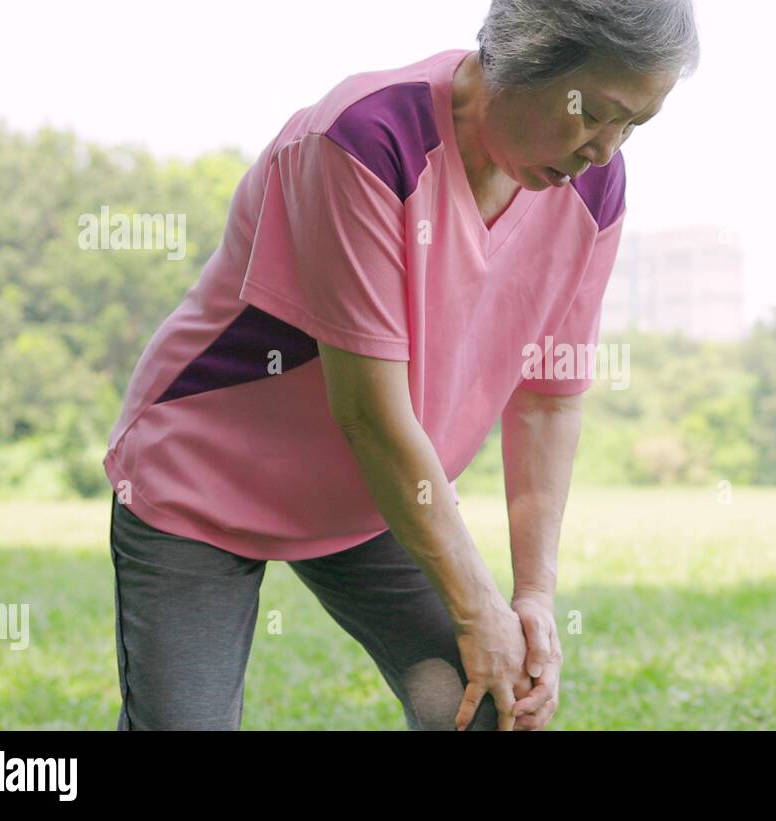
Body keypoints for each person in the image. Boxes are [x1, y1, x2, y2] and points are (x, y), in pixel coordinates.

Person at [104, 0, 700, 731]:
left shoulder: (594, 190)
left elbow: (547, 397)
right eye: (594, 114)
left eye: (633, 125)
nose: (605, 150)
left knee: (490, 708)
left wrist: (532, 596)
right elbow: (369, 414)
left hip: (378, 497)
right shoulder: (365, 139)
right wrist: (478, 607)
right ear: (526, 58)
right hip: (206, 480)